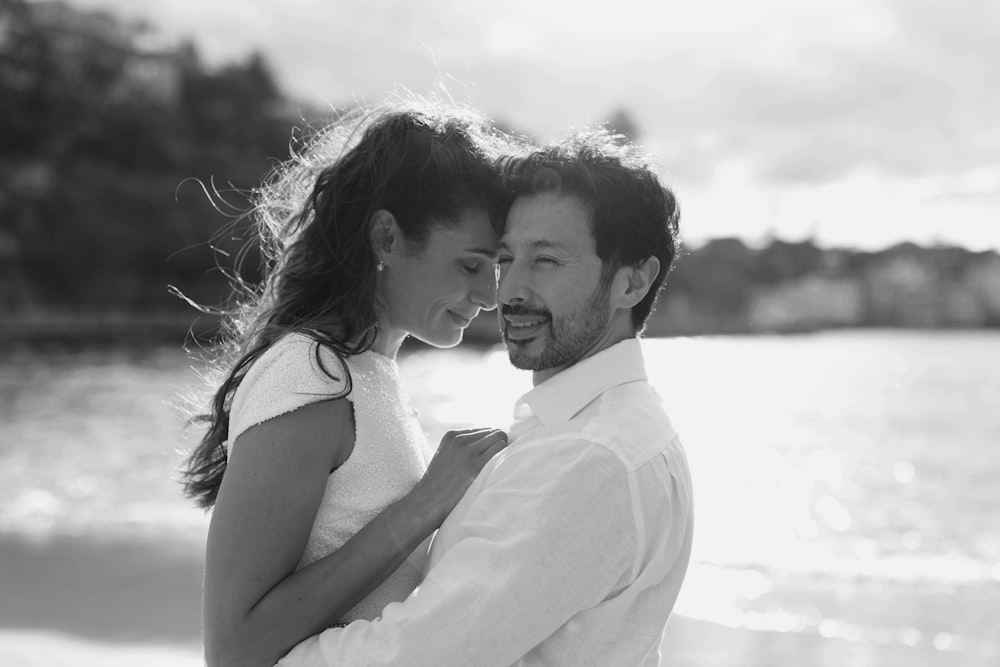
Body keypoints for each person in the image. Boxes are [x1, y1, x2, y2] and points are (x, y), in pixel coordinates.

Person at [276, 129, 694, 666]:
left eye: (545, 261)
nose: (509, 292)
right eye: (504, 259)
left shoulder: (590, 458)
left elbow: (415, 657)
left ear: (632, 283)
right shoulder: (605, 430)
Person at [179, 99, 512, 667]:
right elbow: (233, 649)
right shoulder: (310, 374)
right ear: (386, 238)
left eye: (496, 270)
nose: (490, 297)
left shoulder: (367, 374)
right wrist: (427, 503)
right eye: (470, 266)